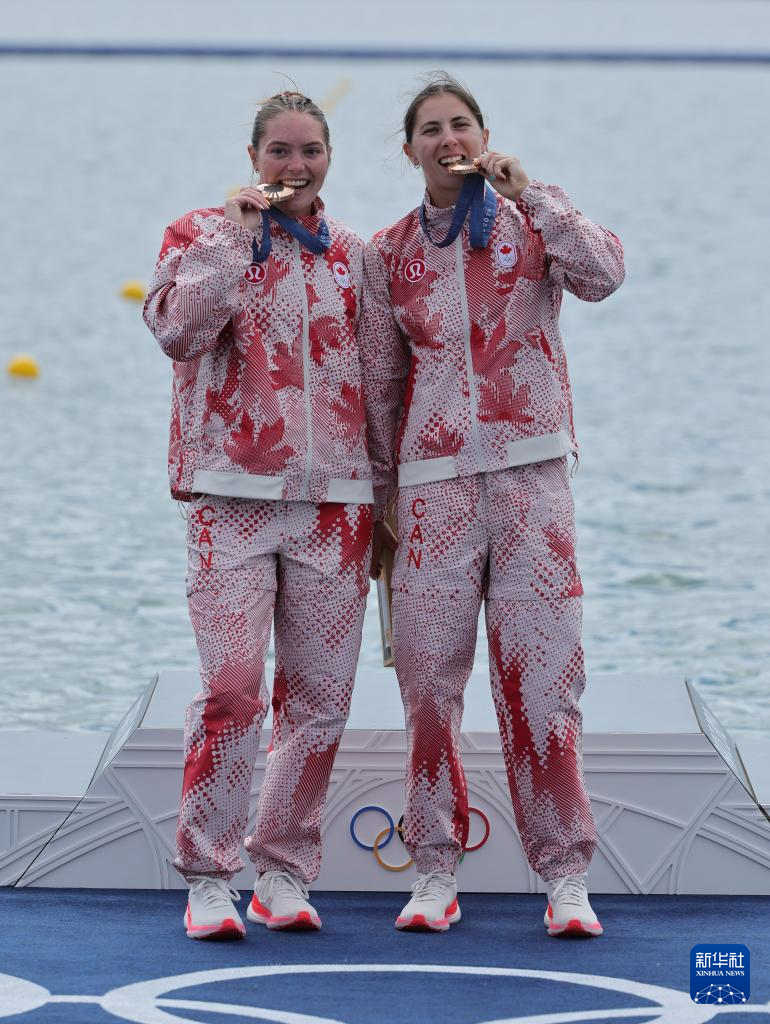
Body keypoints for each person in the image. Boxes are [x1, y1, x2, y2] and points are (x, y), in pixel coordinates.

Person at [359, 72, 624, 936]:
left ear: (483, 135)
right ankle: (434, 869)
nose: (449, 140)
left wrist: (534, 194)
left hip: (531, 483)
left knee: (544, 689)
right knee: (429, 692)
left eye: (461, 124)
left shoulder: (534, 222)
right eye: (430, 130)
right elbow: (381, 390)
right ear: (410, 151)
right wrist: (382, 507)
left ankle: (565, 876)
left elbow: (605, 275)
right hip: (431, 496)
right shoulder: (388, 254)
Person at [144, 90, 374, 939]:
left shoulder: (354, 254)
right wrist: (231, 241)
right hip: (229, 499)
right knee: (233, 691)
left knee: (319, 702)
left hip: (336, 506)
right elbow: (178, 333)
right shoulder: (197, 234)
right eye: (279, 150)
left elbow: (382, 379)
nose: (295, 165)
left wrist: (386, 497)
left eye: (310, 150)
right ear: (253, 158)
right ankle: (208, 876)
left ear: (329, 158)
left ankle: (282, 871)